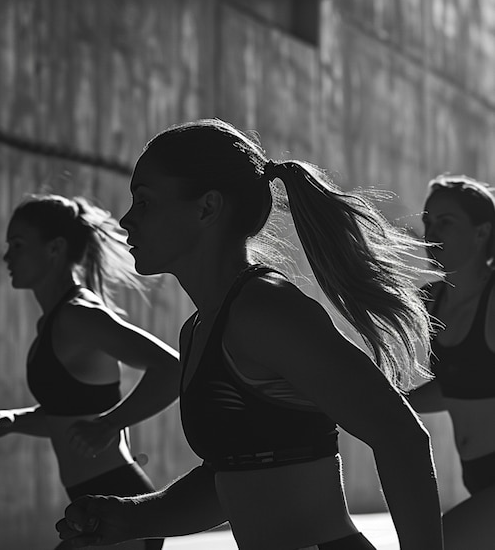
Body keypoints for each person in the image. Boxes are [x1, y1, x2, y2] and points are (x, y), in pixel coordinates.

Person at [56, 118, 443, 550]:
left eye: (144, 202)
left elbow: (401, 436)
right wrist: (133, 517)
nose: (127, 219)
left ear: (207, 208)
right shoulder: (200, 328)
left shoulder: (265, 311)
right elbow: (233, 477)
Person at [0, 194, 180, 550]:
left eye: (18, 245)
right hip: (93, 504)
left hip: (117, 503)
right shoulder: (53, 322)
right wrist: (13, 421)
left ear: (55, 248)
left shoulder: (78, 316)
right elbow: (69, 418)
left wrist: (108, 424)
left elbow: (172, 368)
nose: (7, 256)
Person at [407, 174, 495, 549]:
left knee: (436, 544)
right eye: (428, 221)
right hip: (476, 474)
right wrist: (385, 403)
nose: (432, 231)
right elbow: (456, 386)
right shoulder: (431, 301)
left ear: (482, 232)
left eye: (446, 222)